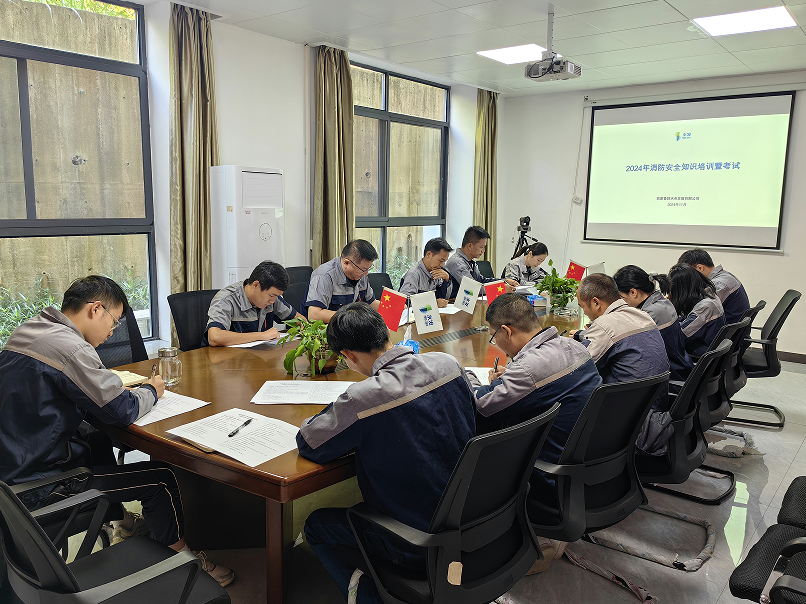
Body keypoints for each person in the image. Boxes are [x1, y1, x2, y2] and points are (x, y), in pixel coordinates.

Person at [0, 275, 234, 586]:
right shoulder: (72, 348)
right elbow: (121, 410)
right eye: (114, 321)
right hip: (38, 486)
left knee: (96, 439)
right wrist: (151, 390)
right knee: (161, 478)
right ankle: (185, 563)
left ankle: (124, 524)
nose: (113, 331)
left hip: (11, 469)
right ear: (95, 309)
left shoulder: (29, 330)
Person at [297, 303, 476, 603]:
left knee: (316, 526)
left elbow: (309, 442)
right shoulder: (448, 363)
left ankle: (367, 597)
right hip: (469, 520)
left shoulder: (362, 398)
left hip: (412, 542)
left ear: (349, 355)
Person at [466, 294, 601, 508]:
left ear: (506, 331)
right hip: (588, 462)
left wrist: (468, 377)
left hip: (549, 475)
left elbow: (480, 404)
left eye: (493, 337)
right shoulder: (573, 346)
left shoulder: (528, 369)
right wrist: (511, 376)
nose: (495, 344)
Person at [571, 274, 671, 454]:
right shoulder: (642, 315)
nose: (584, 312)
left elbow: (575, 369)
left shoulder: (605, 325)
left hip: (630, 424)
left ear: (596, 302)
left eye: (582, 306)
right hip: (654, 414)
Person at [613, 265, 693, 385]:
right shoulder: (662, 302)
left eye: (621, 297)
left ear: (633, 292)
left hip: (671, 378)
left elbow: (621, 340)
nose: (621, 302)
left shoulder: (648, 314)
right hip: (681, 368)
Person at [203, 260, 302, 347]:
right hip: (222, 359)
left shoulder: (273, 299)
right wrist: (261, 336)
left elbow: (300, 320)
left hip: (255, 357)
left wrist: (304, 327)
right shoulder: (226, 299)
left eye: (277, 296)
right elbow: (214, 337)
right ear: (256, 285)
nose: (272, 301)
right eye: (271, 295)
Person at [301, 240, 380, 323]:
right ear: (346, 263)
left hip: (349, 324)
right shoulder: (324, 276)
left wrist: (389, 309)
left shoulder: (361, 274)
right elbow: (314, 315)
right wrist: (353, 317)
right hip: (325, 327)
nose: (366, 274)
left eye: (368, 269)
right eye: (364, 270)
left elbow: (371, 302)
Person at [657, 264, 727, 358]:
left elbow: (679, 336)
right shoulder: (709, 295)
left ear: (682, 290)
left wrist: (668, 308)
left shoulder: (705, 308)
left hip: (702, 356)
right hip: (709, 350)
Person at [678, 248, 750, 324]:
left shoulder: (718, 285)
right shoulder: (725, 276)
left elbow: (699, 313)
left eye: (689, 274)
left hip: (725, 329)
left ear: (700, 268)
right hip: (730, 326)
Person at [444, 226, 518, 296]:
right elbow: (472, 289)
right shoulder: (457, 263)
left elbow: (481, 281)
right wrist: (500, 288)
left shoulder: (470, 261)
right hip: (454, 303)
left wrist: (504, 281)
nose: (483, 251)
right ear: (470, 246)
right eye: (481, 247)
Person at [398, 237, 453, 307]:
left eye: (444, 262)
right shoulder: (414, 274)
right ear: (428, 254)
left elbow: (444, 299)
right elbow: (406, 302)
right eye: (440, 261)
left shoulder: (438, 271)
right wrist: (433, 303)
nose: (442, 265)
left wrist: (447, 280)